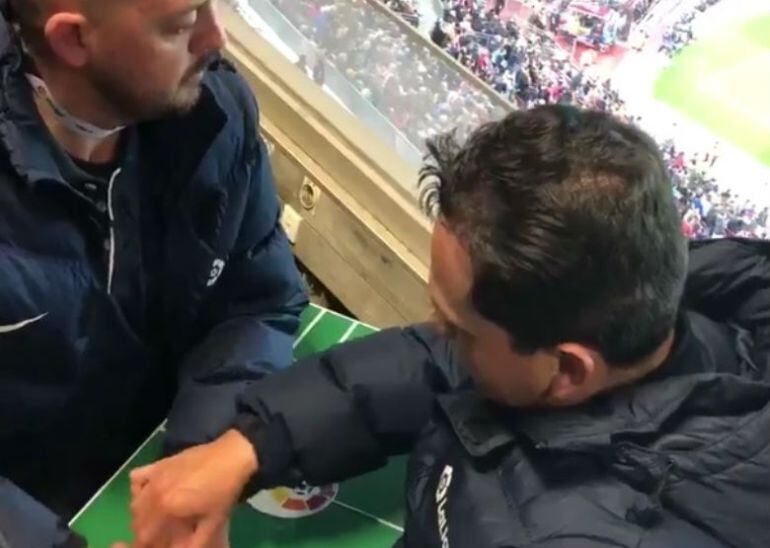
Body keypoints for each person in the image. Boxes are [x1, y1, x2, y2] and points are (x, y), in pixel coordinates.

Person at [129, 106, 770, 548]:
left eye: (460, 328)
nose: (435, 331)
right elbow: (438, 363)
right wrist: (253, 443)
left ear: (570, 371)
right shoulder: (660, 300)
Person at [0, 0, 307, 545]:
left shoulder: (217, 116)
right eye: (184, 25)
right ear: (73, 41)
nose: (217, 40)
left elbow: (257, 300)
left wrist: (197, 457)